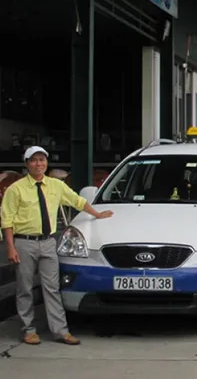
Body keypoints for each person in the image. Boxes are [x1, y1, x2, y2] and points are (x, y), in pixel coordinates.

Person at [1, 146, 113, 345]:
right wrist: (10, 247)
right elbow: (7, 221)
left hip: (48, 242)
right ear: (27, 164)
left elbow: (77, 201)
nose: (39, 164)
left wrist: (97, 214)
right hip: (24, 243)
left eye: (42, 160)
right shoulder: (15, 189)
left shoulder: (55, 186)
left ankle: (60, 331)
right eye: (34, 160)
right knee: (25, 287)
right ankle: (29, 330)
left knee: (52, 288)